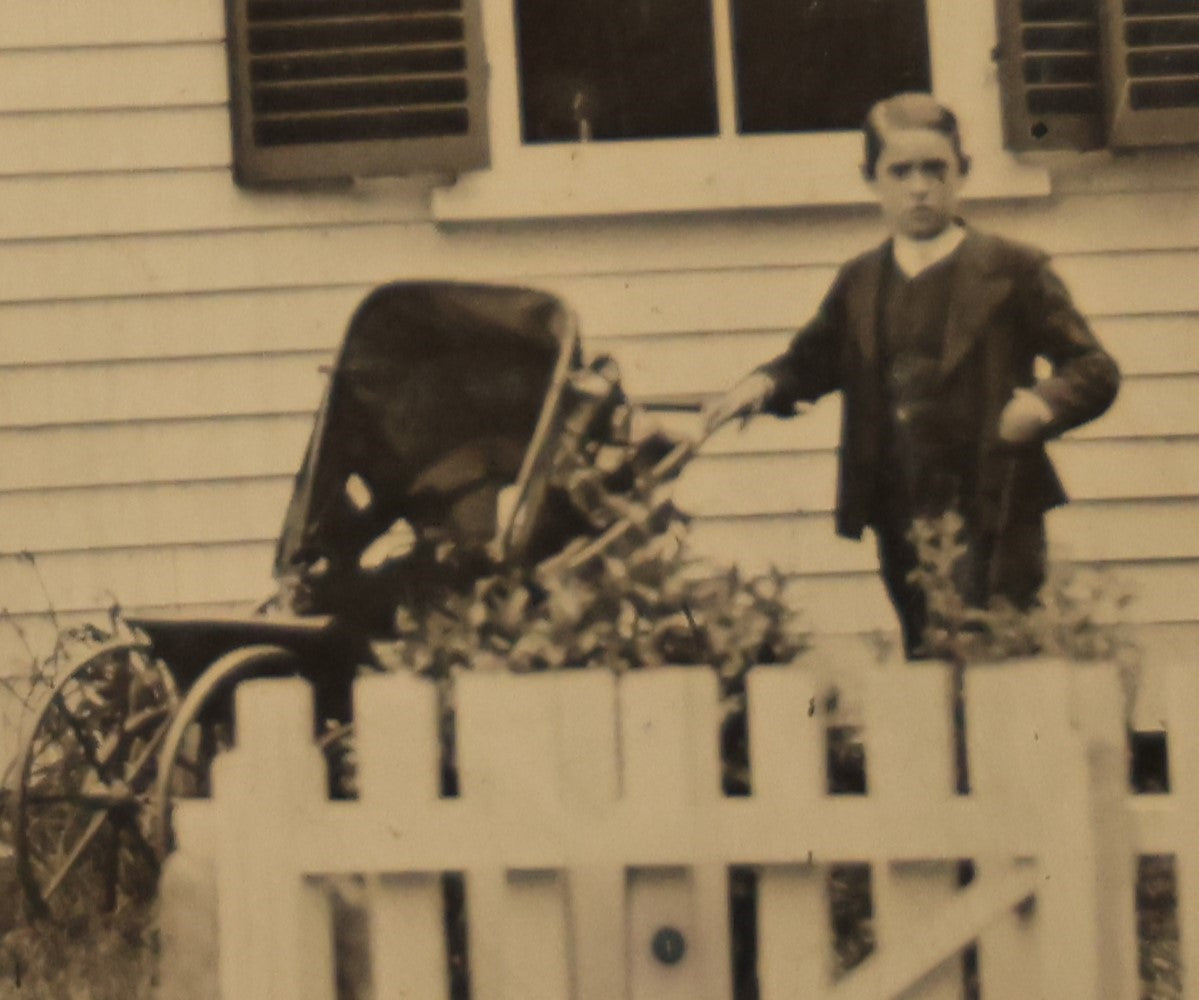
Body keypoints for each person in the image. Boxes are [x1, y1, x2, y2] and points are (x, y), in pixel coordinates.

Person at [702, 93, 1120, 658]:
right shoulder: (861, 282)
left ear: (962, 173)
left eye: (935, 169)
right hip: (899, 506)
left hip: (994, 504)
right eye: (900, 171)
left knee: (1000, 653)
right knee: (925, 652)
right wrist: (763, 385)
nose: (919, 186)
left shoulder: (1014, 269)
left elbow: (1093, 368)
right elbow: (810, 362)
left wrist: (1042, 406)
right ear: (871, 178)